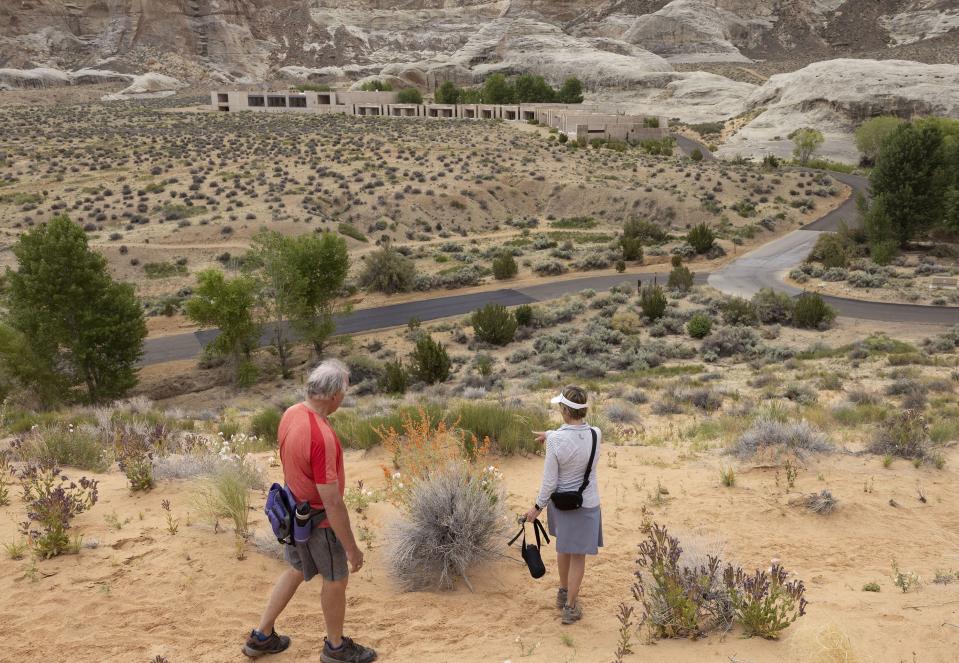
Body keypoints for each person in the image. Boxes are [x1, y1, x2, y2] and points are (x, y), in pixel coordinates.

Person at [243, 359, 377, 663]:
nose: (344, 398)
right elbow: (331, 501)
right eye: (344, 392)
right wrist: (352, 549)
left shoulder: (291, 414)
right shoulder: (322, 436)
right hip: (318, 522)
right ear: (332, 396)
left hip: (294, 515)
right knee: (335, 579)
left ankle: (260, 637)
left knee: (297, 569)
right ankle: (336, 648)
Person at [524, 385, 603, 625]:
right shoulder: (596, 434)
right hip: (586, 503)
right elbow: (576, 439)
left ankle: (563, 594)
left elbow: (550, 482)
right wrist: (550, 434)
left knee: (564, 548)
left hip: (560, 503)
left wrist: (536, 508)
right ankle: (570, 606)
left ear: (565, 411)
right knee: (578, 554)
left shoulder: (556, 440)